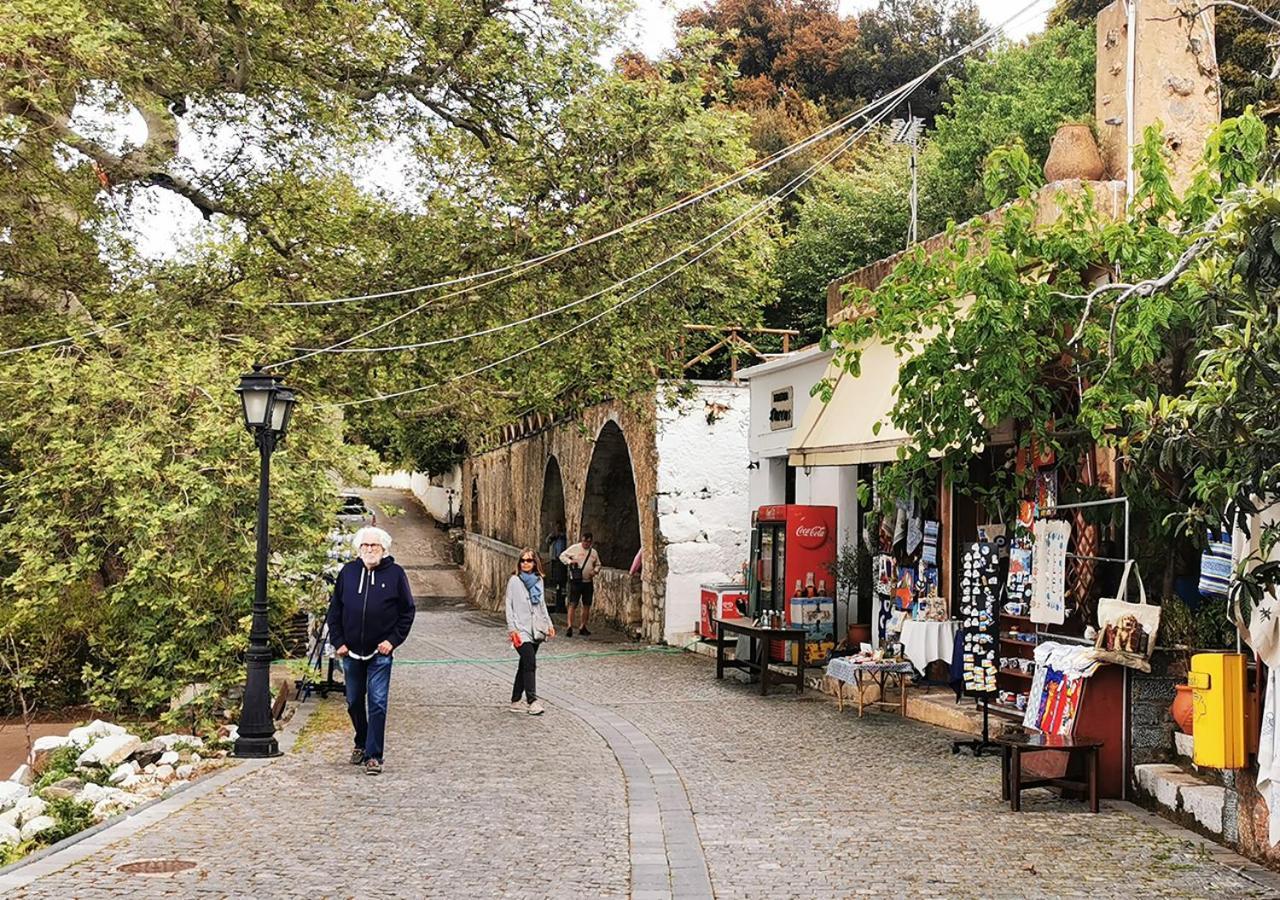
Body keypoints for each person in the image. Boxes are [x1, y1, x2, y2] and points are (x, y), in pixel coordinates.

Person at [325, 525, 416, 776]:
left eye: (374, 546)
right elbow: (335, 611)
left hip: (380, 652)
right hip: (351, 651)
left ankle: (374, 756)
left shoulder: (395, 574)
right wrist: (338, 641)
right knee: (354, 701)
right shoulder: (348, 573)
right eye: (365, 546)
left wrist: (393, 641)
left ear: (384, 549)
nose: (369, 550)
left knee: (377, 703)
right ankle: (361, 740)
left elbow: (407, 611)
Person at [506, 548, 555, 715]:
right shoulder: (514, 581)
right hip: (520, 630)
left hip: (536, 628)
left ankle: (515, 700)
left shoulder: (538, 580)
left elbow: (541, 605)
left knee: (524, 665)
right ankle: (532, 700)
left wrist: (549, 624)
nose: (525, 563)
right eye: (523, 560)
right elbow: (508, 606)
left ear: (535, 563)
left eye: (529, 560)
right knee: (530, 662)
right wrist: (512, 629)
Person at [559, 531, 601, 637]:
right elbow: (562, 556)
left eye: (588, 542)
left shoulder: (593, 553)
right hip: (576, 581)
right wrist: (570, 562)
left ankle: (583, 626)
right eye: (584, 541)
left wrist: (595, 571)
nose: (586, 544)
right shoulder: (575, 548)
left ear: (591, 542)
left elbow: (598, 564)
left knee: (586, 604)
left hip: (588, 581)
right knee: (573, 603)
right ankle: (569, 626)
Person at [546, 526, 569, 612]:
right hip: (554, 558)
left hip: (561, 560)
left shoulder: (563, 538)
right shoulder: (554, 538)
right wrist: (553, 536)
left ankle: (560, 586)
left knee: (560, 577)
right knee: (555, 575)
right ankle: (556, 584)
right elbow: (547, 541)